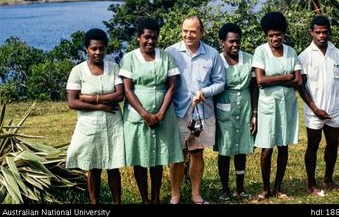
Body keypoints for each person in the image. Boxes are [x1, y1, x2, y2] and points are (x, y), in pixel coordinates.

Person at [119, 18, 184, 204]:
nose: (150, 41)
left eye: (154, 37)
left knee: (158, 158)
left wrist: (161, 113)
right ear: (138, 37)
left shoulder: (166, 57)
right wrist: (145, 115)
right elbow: (128, 90)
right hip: (137, 116)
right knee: (140, 158)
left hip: (163, 116)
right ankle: (145, 199)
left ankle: (155, 198)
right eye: (146, 37)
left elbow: (172, 87)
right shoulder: (130, 58)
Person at [166, 15, 225, 204]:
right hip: (177, 112)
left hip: (202, 113)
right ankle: (175, 195)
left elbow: (220, 82)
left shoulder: (212, 54)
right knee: (176, 155)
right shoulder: (170, 52)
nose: (188, 35)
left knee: (197, 153)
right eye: (185, 31)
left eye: (192, 31)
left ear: (201, 32)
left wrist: (204, 92)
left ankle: (196, 195)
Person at [66, 28, 125, 204]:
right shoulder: (78, 71)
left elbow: (120, 95)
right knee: (93, 167)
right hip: (89, 126)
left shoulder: (114, 67)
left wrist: (91, 98)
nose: (98, 52)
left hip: (113, 124)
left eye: (101, 48)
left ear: (106, 48)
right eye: (93, 49)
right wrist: (101, 106)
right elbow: (73, 102)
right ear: (86, 49)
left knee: (113, 166)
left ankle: (117, 203)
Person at [252, 12, 302, 201]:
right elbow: (260, 80)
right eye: (271, 35)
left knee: (283, 145)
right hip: (267, 106)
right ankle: (265, 189)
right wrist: (286, 77)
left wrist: (277, 80)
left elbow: (298, 80)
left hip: (287, 105)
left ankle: (278, 188)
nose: (275, 38)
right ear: (267, 35)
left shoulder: (291, 52)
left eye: (278, 34)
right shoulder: (261, 51)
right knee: (267, 147)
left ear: (283, 33)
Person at [298, 15, 339, 196]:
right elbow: (301, 87)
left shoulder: (337, 53)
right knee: (313, 145)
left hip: (334, 109)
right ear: (311, 32)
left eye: (324, 32)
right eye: (317, 32)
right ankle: (311, 184)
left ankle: (328, 179)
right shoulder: (304, 56)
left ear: (329, 32)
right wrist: (315, 109)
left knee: (333, 144)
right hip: (314, 111)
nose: (321, 35)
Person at [213, 23, 258, 201]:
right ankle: (225, 189)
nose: (235, 45)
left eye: (238, 41)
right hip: (224, 107)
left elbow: (254, 87)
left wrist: (255, 113)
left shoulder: (249, 59)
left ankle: (240, 188)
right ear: (222, 42)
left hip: (245, 106)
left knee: (241, 149)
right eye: (231, 41)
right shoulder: (216, 60)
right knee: (225, 149)